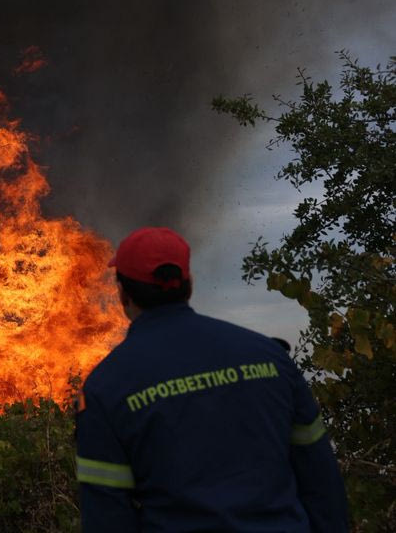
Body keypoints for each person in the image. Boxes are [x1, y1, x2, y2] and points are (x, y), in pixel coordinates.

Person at [75, 227, 349, 532]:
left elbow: (108, 515)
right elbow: (321, 479)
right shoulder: (269, 357)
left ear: (123, 293)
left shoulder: (106, 387)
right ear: (188, 284)